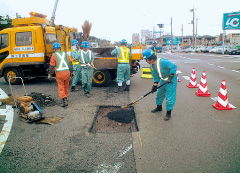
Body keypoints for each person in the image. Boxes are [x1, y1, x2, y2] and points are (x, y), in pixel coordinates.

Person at [142, 49, 177, 121]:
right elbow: (155, 76)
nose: (146, 61)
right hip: (163, 80)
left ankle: (168, 113)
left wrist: (170, 76)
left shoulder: (163, 62)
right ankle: (159, 107)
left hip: (171, 81)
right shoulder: (152, 66)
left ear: (150, 58)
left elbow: (173, 66)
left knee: (169, 97)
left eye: (146, 59)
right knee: (159, 94)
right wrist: (155, 85)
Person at [48, 42, 74, 107]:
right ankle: (66, 97)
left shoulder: (54, 55)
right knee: (66, 85)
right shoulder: (66, 54)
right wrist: (72, 72)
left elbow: (51, 66)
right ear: (60, 48)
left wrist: (50, 74)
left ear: (54, 49)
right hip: (67, 72)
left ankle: (64, 99)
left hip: (60, 73)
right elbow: (70, 63)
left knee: (61, 86)